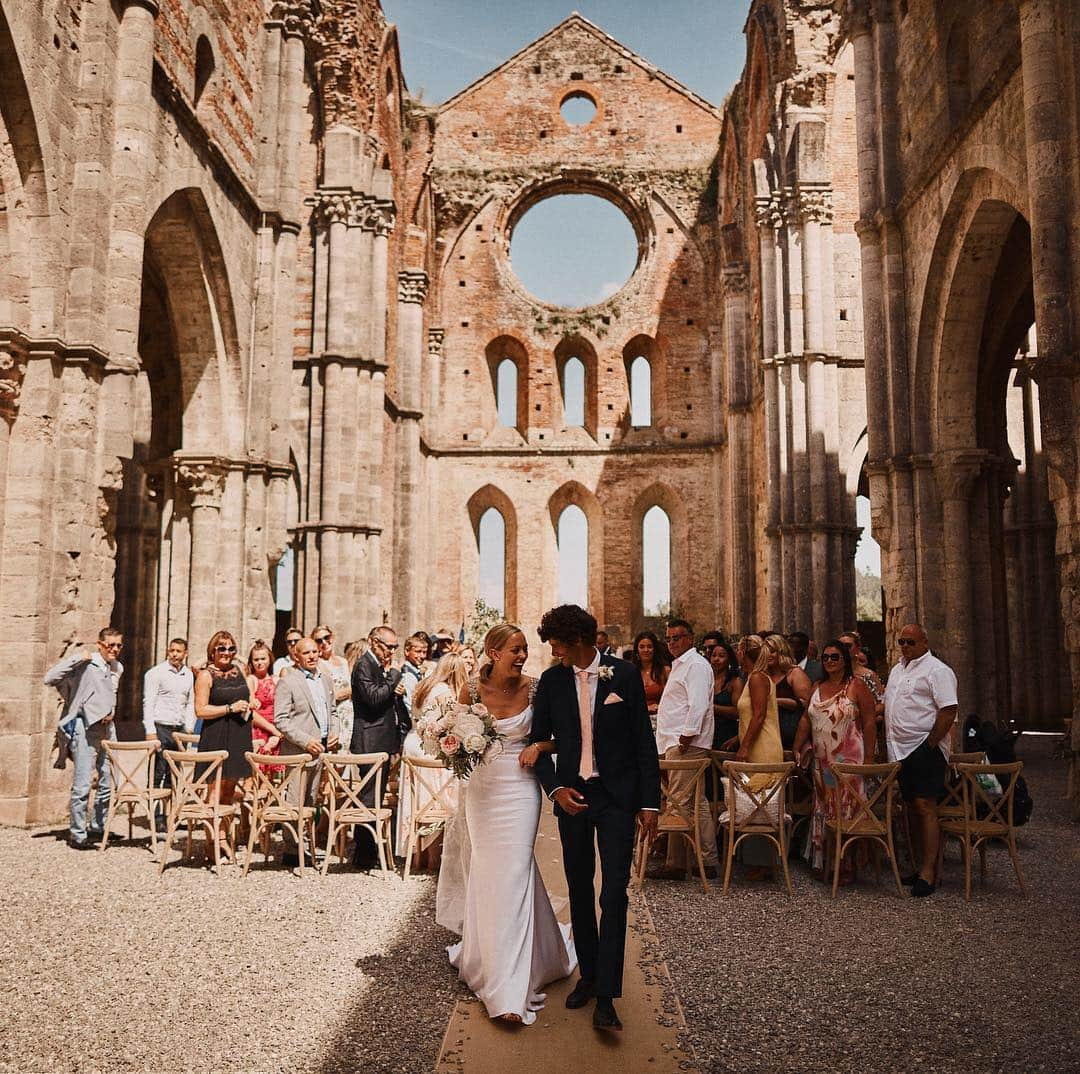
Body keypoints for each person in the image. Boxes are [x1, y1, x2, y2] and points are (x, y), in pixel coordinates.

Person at [529, 604, 661, 1033]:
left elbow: (643, 737)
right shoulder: (551, 682)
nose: (553, 650)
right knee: (580, 889)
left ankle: (607, 996)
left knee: (614, 895)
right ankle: (588, 975)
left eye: (557, 643)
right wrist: (556, 790)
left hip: (618, 797)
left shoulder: (622, 675)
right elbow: (540, 742)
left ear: (579, 641)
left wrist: (649, 804)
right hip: (573, 796)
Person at [437, 623, 575, 1025]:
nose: (522, 656)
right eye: (515, 649)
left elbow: (565, 736)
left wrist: (538, 745)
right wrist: (456, 745)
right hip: (483, 789)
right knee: (489, 872)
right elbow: (452, 736)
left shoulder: (537, 688)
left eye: (525, 649)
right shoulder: (472, 690)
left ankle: (509, 990)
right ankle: (488, 958)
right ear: (493, 653)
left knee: (515, 871)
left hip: (520, 789)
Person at [883, 624, 958, 897]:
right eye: (901, 641)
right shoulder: (896, 670)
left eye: (911, 642)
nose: (905, 646)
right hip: (899, 750)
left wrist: (930, 745)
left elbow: (949, 710)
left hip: (923, 748)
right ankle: (918, 866)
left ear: (924, 642)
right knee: (910, 807)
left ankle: (929, 872)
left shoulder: (937, 670)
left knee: (926, 806)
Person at [793, 639, 877, 879]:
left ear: (845, 660)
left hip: (849, 758)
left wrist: (869, 758)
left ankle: (848, 864)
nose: (829, 661)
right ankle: (825, 861)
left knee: (847, 807)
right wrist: (796, 747)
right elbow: (806, 720)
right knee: (824, 807)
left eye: (835, 657)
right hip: (822, 760)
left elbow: (870, 721)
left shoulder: (856, 686)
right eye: (826, 657)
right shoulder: (817, 686)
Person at [45, 628, 124, 850]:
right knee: (82, 783)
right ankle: (78, 835)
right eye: (110, 645)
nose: (115, 649)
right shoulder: (87, 664)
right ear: (100, 645)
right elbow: (50, 678)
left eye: (118, 645)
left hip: (108, 729)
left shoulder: (118, 667)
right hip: (86, 727)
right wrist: (77, 658)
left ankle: (98, 827)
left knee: (108, 780)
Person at [194, 631, 267, 862]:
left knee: (229, 792)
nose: (227, 653)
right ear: (212, 651)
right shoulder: (206, 676)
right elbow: (200, 710)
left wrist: (250, 703)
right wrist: (228, 709)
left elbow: (247, 698)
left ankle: (223, 837)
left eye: (231, 649)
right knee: (213, 793)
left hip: (238, 735)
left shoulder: (240, 672)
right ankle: (213, 843)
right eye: (222, 648)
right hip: (215, 736)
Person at [654, 619, 718, 880]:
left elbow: (698, 704)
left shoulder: (696, 665)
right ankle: (707, 859)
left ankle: (676, 864)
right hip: (679, 742)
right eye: (668, 639)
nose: (672, 643)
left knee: (678, 802)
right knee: (696, 802)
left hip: (686, 745)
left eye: (677, 638)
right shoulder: (682, 665)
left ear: (691, 638)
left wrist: (686, 737)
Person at [274, 636, 341, 867]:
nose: (312, 656)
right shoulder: (288, 682)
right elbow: (280, 720)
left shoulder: (326, 680)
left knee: (312, 799)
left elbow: (332, 710)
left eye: (315, 651)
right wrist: (305, 741)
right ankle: (292, 850)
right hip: (299, 750)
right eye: (306, 653)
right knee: (295, 801)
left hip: (321, 748)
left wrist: (335, 732)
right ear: (296, 656)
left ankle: (307, 845)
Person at [399, 652, 468, 863]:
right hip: (429, 749)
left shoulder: (424, 686)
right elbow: (452, 720)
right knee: (439, 800)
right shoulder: (444, 692)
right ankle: (434, 860)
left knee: (421, 800)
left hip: (413, 745)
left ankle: (419, 858)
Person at [350, 624, 409, 867]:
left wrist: (394, 691)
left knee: (376, 796)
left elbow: (382, 696)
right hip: (369, 740)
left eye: (395, 647)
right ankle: (364, 854)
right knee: (368, 798)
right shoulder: (364, 664)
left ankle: (370, 851)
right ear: (375, 642)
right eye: (389, 646)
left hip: (382, 739)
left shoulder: (378, 666)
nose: (392, 652)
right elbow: (373, 698)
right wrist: (394, 677)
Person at [729, 634, 784, 877]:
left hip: (763, 746)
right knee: (755, 800)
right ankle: (756, 860)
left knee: (759, 801)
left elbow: (760, 715)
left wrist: (745, 746)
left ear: (742, 652)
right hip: (755, 743)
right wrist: (738, 740)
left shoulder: (758, 678)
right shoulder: (753, 677)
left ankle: (763, 863)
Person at [142, 637, 196, 826]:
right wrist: (150, 731)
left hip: (179, 729)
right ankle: (156, 817)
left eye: (178, 651)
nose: (174, 654)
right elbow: (148, 702)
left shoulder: (189, 675)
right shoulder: (155, 673)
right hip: (160, 726)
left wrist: (189, 728)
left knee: (176, 774)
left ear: (185, 653)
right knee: (158, 773)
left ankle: (172, 814)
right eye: (171, 650)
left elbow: (190, 703)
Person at [763, 633, 813, 749]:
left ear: (781, 652)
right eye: (765, 651)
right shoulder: (762, 675)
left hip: (791, 735)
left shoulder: (795, 673)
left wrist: (776, 701)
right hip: (768, 735)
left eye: (772, 651)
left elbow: (807, 704)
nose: (768, 655)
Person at [313, 625, 352, 751]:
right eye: (319, 640)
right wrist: (353, 690)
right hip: (334, 714)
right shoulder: (319, 663)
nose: (324, 642)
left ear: (332, 637)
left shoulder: (343, 661)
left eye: (326, 637)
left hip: (349, 713)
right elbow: (331, 694)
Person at [248, 641, 282, 771]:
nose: (259, 662)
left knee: (271, 772)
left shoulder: (276, 680)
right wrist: (252, 701)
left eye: (263, 658)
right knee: (255, 772)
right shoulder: (251, 679)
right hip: (258, 729)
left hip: (275, 728)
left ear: (270, 660)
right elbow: (250, 700)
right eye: (256, 659)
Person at [627, 630, 670, 716]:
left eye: (649, 646)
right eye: (642, 647)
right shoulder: (629, 671)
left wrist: (659, 707)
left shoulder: (665, 671)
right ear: (637, 650)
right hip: (636, 718)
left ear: (655, 649)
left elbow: (671, 699)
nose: (646, 650)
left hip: (659, 717)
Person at [709, 640, 743, 749]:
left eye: (721, 656)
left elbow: (738, 711)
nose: (716, 659)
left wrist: (712, 708)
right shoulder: (706, 679)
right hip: (707, 733)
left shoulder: (735, 682)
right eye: (713, 655)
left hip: (727, 733)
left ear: (729, 659)